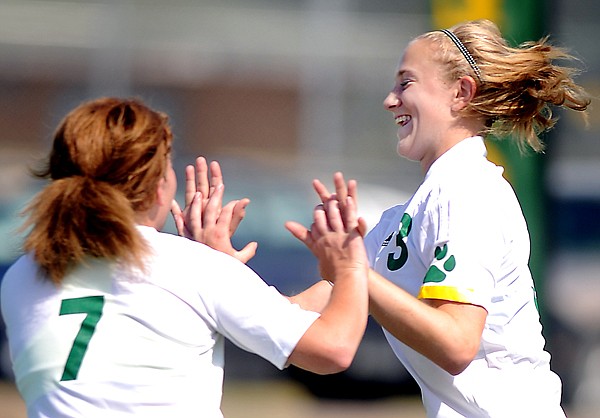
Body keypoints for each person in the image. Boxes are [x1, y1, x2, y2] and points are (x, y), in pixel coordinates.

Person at [286, 19, 591, 417]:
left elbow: (456, 344)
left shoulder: (468, 193)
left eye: (405, 83)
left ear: (461, 93)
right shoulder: (407, 216)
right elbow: (302, 313)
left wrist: (355, 272)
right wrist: (217, 275)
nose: (389, 100)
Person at [0, 97, 369, 417]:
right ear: (160, 187)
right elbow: (332, 349)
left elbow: (271, 321)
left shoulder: (21, 275)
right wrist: (352, 266)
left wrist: (223, 277)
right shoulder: (188, 266)